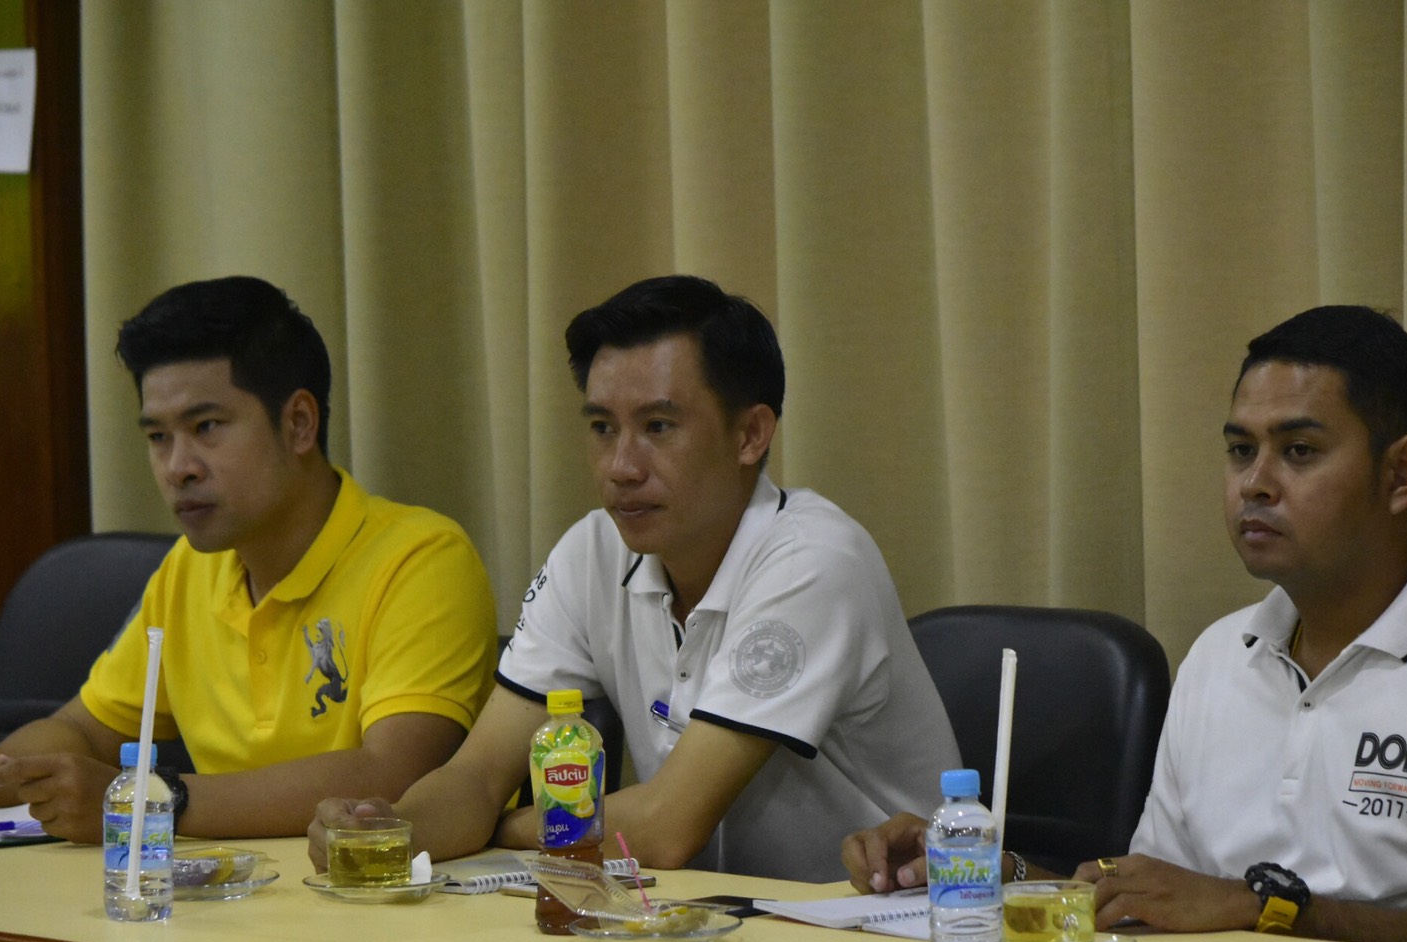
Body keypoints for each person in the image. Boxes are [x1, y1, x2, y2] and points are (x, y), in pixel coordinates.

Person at [843, 306, 1407, 942]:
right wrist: (983, 867)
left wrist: (1261, 909)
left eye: (1298, 451)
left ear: (1402, 474)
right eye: (1241, 450)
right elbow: (1149, 901)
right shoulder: (1220, 654)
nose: (1254, 484)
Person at [310, 274, 959, 882]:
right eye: (602, 428)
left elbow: (667, 826)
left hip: (884, 920)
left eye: (658, 427)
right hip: (711, 920)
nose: (621, 466)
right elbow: (475, 778)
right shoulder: (591, 552)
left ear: (750, 435)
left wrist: (498, 827)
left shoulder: (813, 560)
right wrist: (387, 828)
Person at [0, 276, 497, 843]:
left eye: (206, 427)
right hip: (224, 890)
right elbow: (82, 732)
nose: (177, 467)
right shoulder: (189, 569)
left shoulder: (420, 559)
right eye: (158, 437)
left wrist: (155, 802)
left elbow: (396, 775)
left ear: (299, 423)